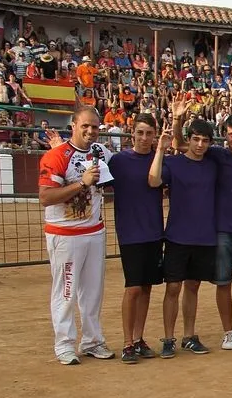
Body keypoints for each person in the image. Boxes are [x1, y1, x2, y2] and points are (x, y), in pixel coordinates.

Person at [172, 95, 232, 350]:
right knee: (223, 282)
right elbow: (180, 144)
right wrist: (177, 119)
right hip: (221, 230)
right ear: (225, 135)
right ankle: (227, 332)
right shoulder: (214, 154)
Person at [37, 107, 115, 365]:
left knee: (92, 292)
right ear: (73, 125)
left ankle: (92, 341)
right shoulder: (57, 156)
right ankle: (64, 345)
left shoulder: (101, 152)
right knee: (66, 291)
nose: (91, 131)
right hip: (65, 235)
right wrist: (82, 183)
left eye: (95, 127)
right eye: (86, 126)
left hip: (94, 232)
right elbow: (46, 197)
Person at [148, 118, 218, 358]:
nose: (200, 145)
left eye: (205, 141)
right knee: (173, 287)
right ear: (188, 139)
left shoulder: (212, 164)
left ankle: (189, 336)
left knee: (193, 286)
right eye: (196, 139)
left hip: (204, 237)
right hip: (178, 235)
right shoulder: (173, 163)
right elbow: (154, 180)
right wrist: (160, 149)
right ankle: (168, 338)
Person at [107, 114, 164, 363]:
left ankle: (139, 339)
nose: (144, 138)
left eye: (148, 133)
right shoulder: (118, 161)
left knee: (147, 287)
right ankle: (127, 342)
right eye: (140, 133)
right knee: (133, 288)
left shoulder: (158, 160)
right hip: (130, 233)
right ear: (132, 134)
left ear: (154, 135)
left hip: (154, 232)